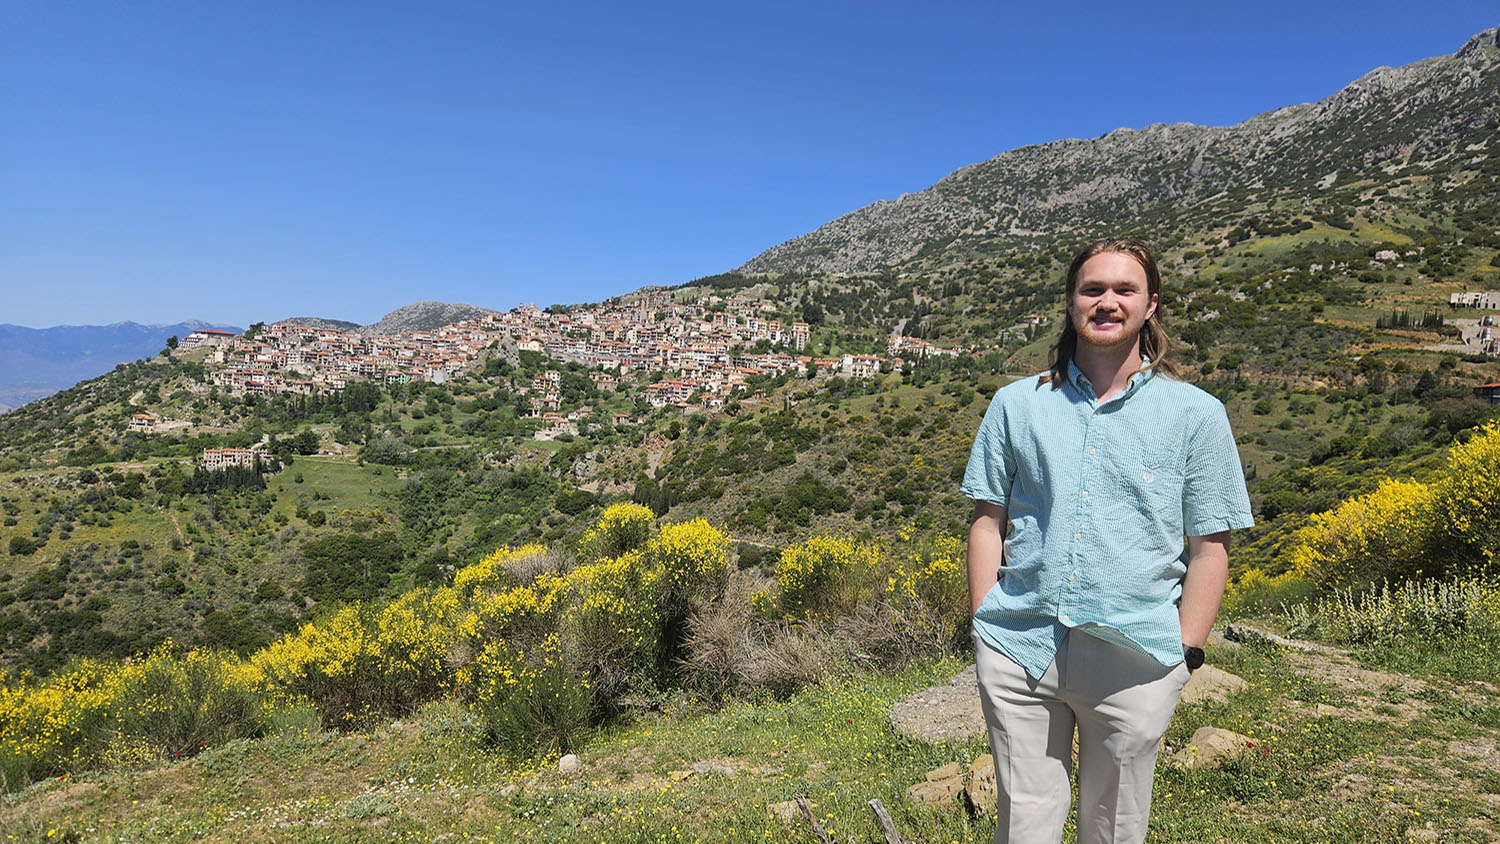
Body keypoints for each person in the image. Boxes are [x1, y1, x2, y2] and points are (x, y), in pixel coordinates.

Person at [961, 238, 1254, 844]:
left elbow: (1210, 545)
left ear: (1151, 307)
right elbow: (988, 520)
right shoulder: (1015, 405)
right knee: (1022, 827)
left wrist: (1186, 652)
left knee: (1116, 829)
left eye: (1125, 290)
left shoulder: (1197, 415)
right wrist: (984, 621)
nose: (1108, 302)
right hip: (1020, 646)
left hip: (1137, 656)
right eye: (1093, 289)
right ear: (1071, 303)